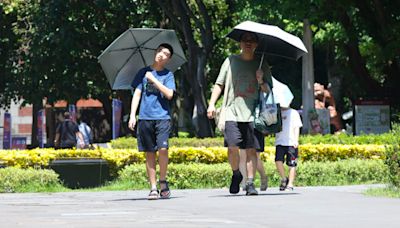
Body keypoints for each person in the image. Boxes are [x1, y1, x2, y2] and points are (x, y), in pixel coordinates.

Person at [207, 32, 271, 195]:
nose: (248, 43)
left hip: (253, 114)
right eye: (245, 40)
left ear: (256, 44)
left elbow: (268, 90)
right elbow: (219, 84)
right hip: (231, 112)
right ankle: (236, 173)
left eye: (252, 40)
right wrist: (212, 104)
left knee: (251, 149)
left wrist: (261, 80)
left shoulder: (261, 64)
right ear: (240, 43)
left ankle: (250, 183)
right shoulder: (231, 61)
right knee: (232, 147)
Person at [128, 43, 175, 200]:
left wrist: (154, 79)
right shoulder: (143, 72)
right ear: (155, 52)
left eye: (166, 54)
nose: (162, 54)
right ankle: (153, 187)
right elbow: (137, 94)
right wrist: (132, 115)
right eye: (160, 51)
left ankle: (163, 181)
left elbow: (169, 94)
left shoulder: (168, 75)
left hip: (162, 117)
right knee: (149, 152)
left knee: (163, 149)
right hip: (145, 117)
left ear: (168, 59)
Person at [275, 106, 303, 191]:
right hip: (280, 141)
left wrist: (296, 140)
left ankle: (290, 184)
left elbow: (297, 127)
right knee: (278, 161)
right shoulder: (277, 112)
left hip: (291, 143)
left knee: (292, 164)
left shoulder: (294, 112)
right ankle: (284, 178)